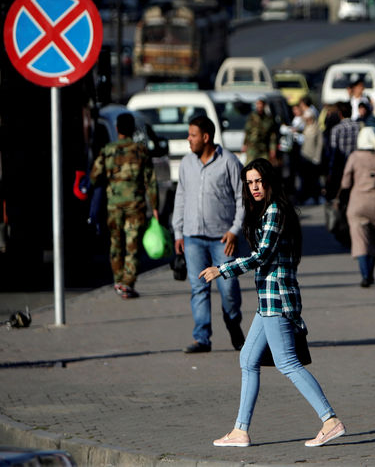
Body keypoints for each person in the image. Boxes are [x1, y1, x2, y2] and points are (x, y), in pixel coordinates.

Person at [199, 158, 346, 448]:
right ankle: (240, 431)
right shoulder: (268, 211)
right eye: (249, 183)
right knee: (248, 359)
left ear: (269, 182)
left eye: (258, 181)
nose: (254, 187)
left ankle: (330, 420)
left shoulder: (276, 211)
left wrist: (223, 269)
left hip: (277, 298)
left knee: (287, 363)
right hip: (268, 300)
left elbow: (262, 255)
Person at [173, 115, 246, 354]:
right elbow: (181, 197)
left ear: (206, 137)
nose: (189, 139)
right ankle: (201, 338)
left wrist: (235, 230)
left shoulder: (229, 162)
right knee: (198, 288)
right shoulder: (186, 163)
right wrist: (178, 232)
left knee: (229, 290)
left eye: (192, 135)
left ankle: (234, 324)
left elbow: (241, 198)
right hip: (193, 238)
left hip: (222, 240)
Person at [89, 112, 159, 299]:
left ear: (117, 129)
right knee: (132, 245)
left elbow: (94, 175)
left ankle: (118, 280)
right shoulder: (141, 151)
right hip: (135, 207)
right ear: (133, 130)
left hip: (113, 207)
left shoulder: (107, 150)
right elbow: (150, 181)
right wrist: (155, 206)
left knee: (115, 244)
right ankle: (127, 283)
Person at [340, 127, 375, 287]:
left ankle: (365, 275)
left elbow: (345, 182)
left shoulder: (354, 157)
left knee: (359, 240)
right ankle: (371, 272)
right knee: (374, 240)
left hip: (357, 202)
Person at [326, 102, 360, 199]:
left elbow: (333, 151)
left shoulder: (336, 129)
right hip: (356, 163)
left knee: (343, 192)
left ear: (340, 114)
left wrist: (330, 171)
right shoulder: (358, 126)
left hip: (341, 165)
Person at [243, 97, 279, 165]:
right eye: (258, 104)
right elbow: (247, 131)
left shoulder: (269, 119)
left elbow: (272, 136)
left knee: (265, 166)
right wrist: (244, 144)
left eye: (261, 104)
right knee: (249, 165)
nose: (259, 106)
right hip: (252, 147)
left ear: (264, 105)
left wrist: (273, 149)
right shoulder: (252, 117)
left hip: (263, 147)